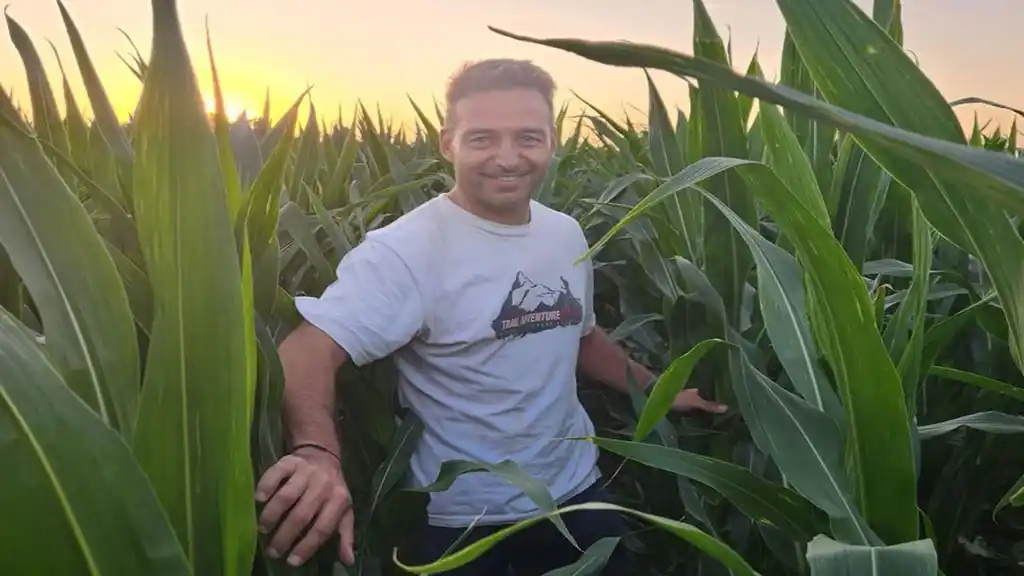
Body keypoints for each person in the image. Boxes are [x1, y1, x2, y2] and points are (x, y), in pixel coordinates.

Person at [254, 58, 728, 575]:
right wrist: (318, 453)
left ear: (552, 141)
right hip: (462, 520)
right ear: (448, 143)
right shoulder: (406, 252)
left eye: (528, 137)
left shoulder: (564, 233)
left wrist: (659, 390)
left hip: (578, 494)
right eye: (482, 138)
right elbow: (306, 350)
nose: (507, 158)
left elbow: (581, 333)